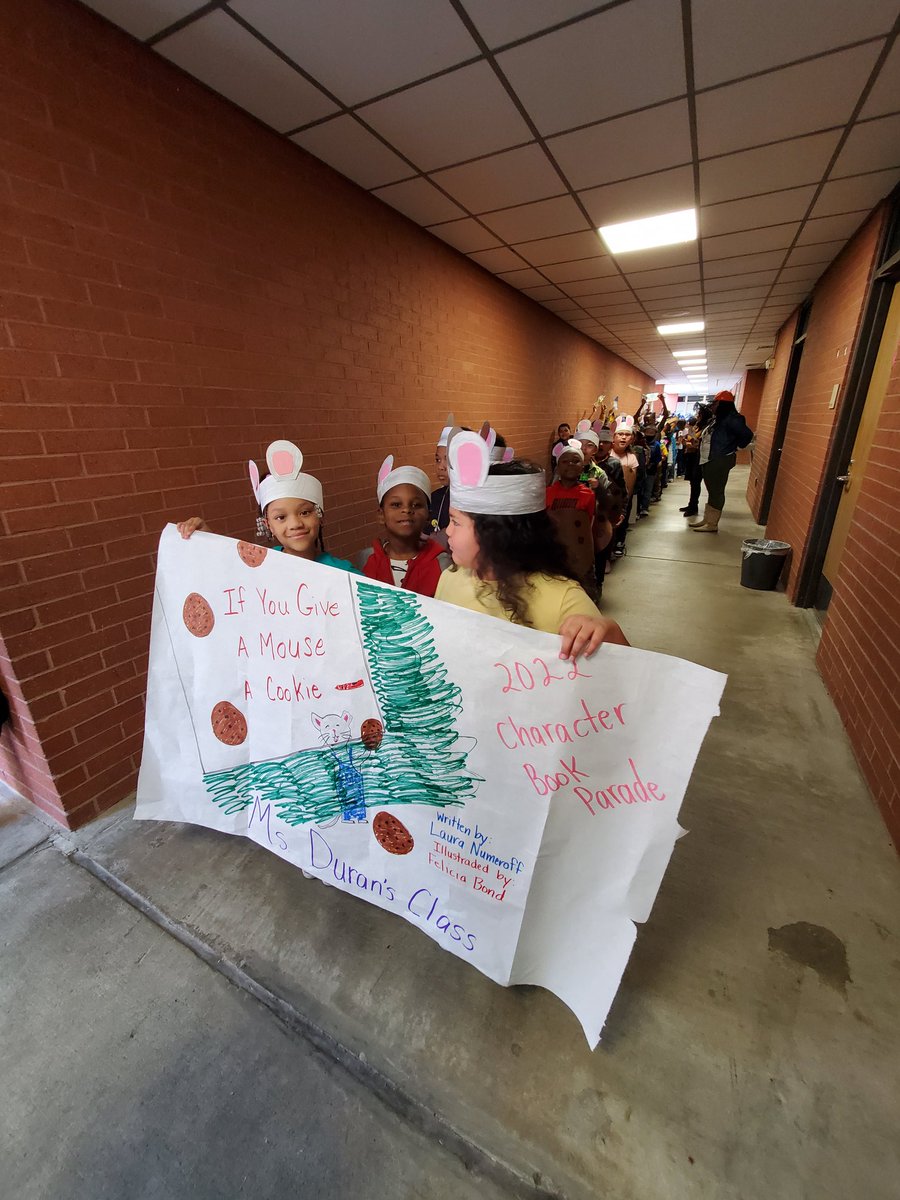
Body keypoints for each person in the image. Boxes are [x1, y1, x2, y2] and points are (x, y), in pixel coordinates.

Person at [435, 431, 627, 658]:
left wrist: (608, 633)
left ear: (495, 533)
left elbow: (627, 673)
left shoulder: (563, 598)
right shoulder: (451, 577)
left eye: (456, 522)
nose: (447, 530)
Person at [176, 439, 359, 573]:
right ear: (267, 525)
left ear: (319, 515)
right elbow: (225, 575)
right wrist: (207, 540)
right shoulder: (258, 568)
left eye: (304, 512)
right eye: (281, 517)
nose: (295, 524)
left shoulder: (345, 573)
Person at [360, 456, 450, 596]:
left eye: (416, 505)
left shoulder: (442, 564)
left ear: (428, 515)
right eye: (396, 505)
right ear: (381, 515)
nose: (406, 510)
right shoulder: (367, 559)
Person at [690, 390, 753, 533]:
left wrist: (734, 447)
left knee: (716, 491)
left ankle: (712, 524)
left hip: (719, 458)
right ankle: (708, 519)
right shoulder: (718, 419)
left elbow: (747, 435)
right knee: (712, 490)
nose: (712, 407)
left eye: (715, 404)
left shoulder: (733, 419)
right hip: (709, 458)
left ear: (722, 404)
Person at [546, 439, 598, 601]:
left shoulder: (588, 495)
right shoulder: (547, 493)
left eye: (575, 461)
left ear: (582, 466)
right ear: (557, 466)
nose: (570, 465)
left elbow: (589, 526)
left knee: (582, 596)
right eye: (565, 461)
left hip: (579, 555)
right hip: (554, 554)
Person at [608, 416, 639, 557]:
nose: (623, 438)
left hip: (623, 496)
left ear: (632, 439)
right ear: (613, 437)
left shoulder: (632, 458)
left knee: (621, 521)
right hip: (607, 496)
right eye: (620, 434)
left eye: (627, 435)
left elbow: (631, 482)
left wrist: (625, 500)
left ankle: (619, 543)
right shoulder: (607, 454)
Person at [680, 416, 702, 517]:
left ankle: (693, 506)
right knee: (692, 483)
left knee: (695, 482)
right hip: (691, 455)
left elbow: (697, 442)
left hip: (697, 457)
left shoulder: (702, 429)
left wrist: (691, 444)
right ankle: (692, 505)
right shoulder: (696, 428)